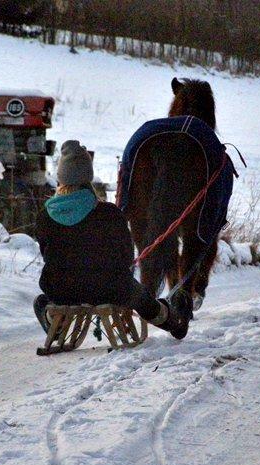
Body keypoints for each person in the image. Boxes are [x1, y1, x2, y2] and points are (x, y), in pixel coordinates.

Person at [33, 140, 193, 339]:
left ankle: (52, 318)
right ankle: (171, 319)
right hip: (109, 289)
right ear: (87, 177)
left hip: (61, 289)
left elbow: (48, 255)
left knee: (41, 300)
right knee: (138, 296)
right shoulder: (109, 213)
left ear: (61, 178)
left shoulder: (44, 216)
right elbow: (125, 257)